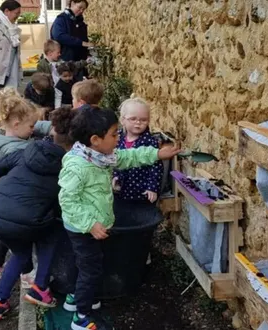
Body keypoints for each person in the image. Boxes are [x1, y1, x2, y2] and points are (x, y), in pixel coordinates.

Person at [58, 106, 180, 330]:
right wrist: (91, 224)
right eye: (114, 134)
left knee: (88, 265)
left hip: (93, 226)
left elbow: (126, 157)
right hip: (83, 228)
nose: (118, 138)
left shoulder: (100, 157)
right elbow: (68, 201)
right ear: (95, 139)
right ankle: (81, 317)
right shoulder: (79, 166)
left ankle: (76, 298)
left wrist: (156, 154)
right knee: (91, 269)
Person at [0, 106, 77, 320]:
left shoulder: (25, 151)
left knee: (21, 254)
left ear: (52, 132)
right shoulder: (67, 167)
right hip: (26, 219)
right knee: (52, 234)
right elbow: (63, 203)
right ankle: (40, 287)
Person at [0, 87, 52, 282]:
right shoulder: (17, 149)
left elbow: (32, 126)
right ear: (16, 123)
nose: (34, 129)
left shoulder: (0, 132)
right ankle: (27, 274)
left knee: (6, 236)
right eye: (31, 126)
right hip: (18, 199)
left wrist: (47, 126)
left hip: (4, 195)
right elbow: (35, 152)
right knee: (20, 238)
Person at [112, 98, 163, 202]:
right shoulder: (116, 139)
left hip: (141, 192)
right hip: (120, 191)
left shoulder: (150, 142)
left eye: (143, 120)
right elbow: (113, 159)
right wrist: (115, 177)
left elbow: (156, 167)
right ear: (122, 120)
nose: (138, 122)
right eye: (133, 119)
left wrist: (152, 188)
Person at [50, 0, 93, 79]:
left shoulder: (81, 23)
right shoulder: (61, 19)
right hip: (65, 64)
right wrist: (81, 43)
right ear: (72, 3)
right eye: (79, 7)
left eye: (83, 9)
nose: (81, 11)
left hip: (79, 64)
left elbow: (84, 41)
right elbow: (59, 36)